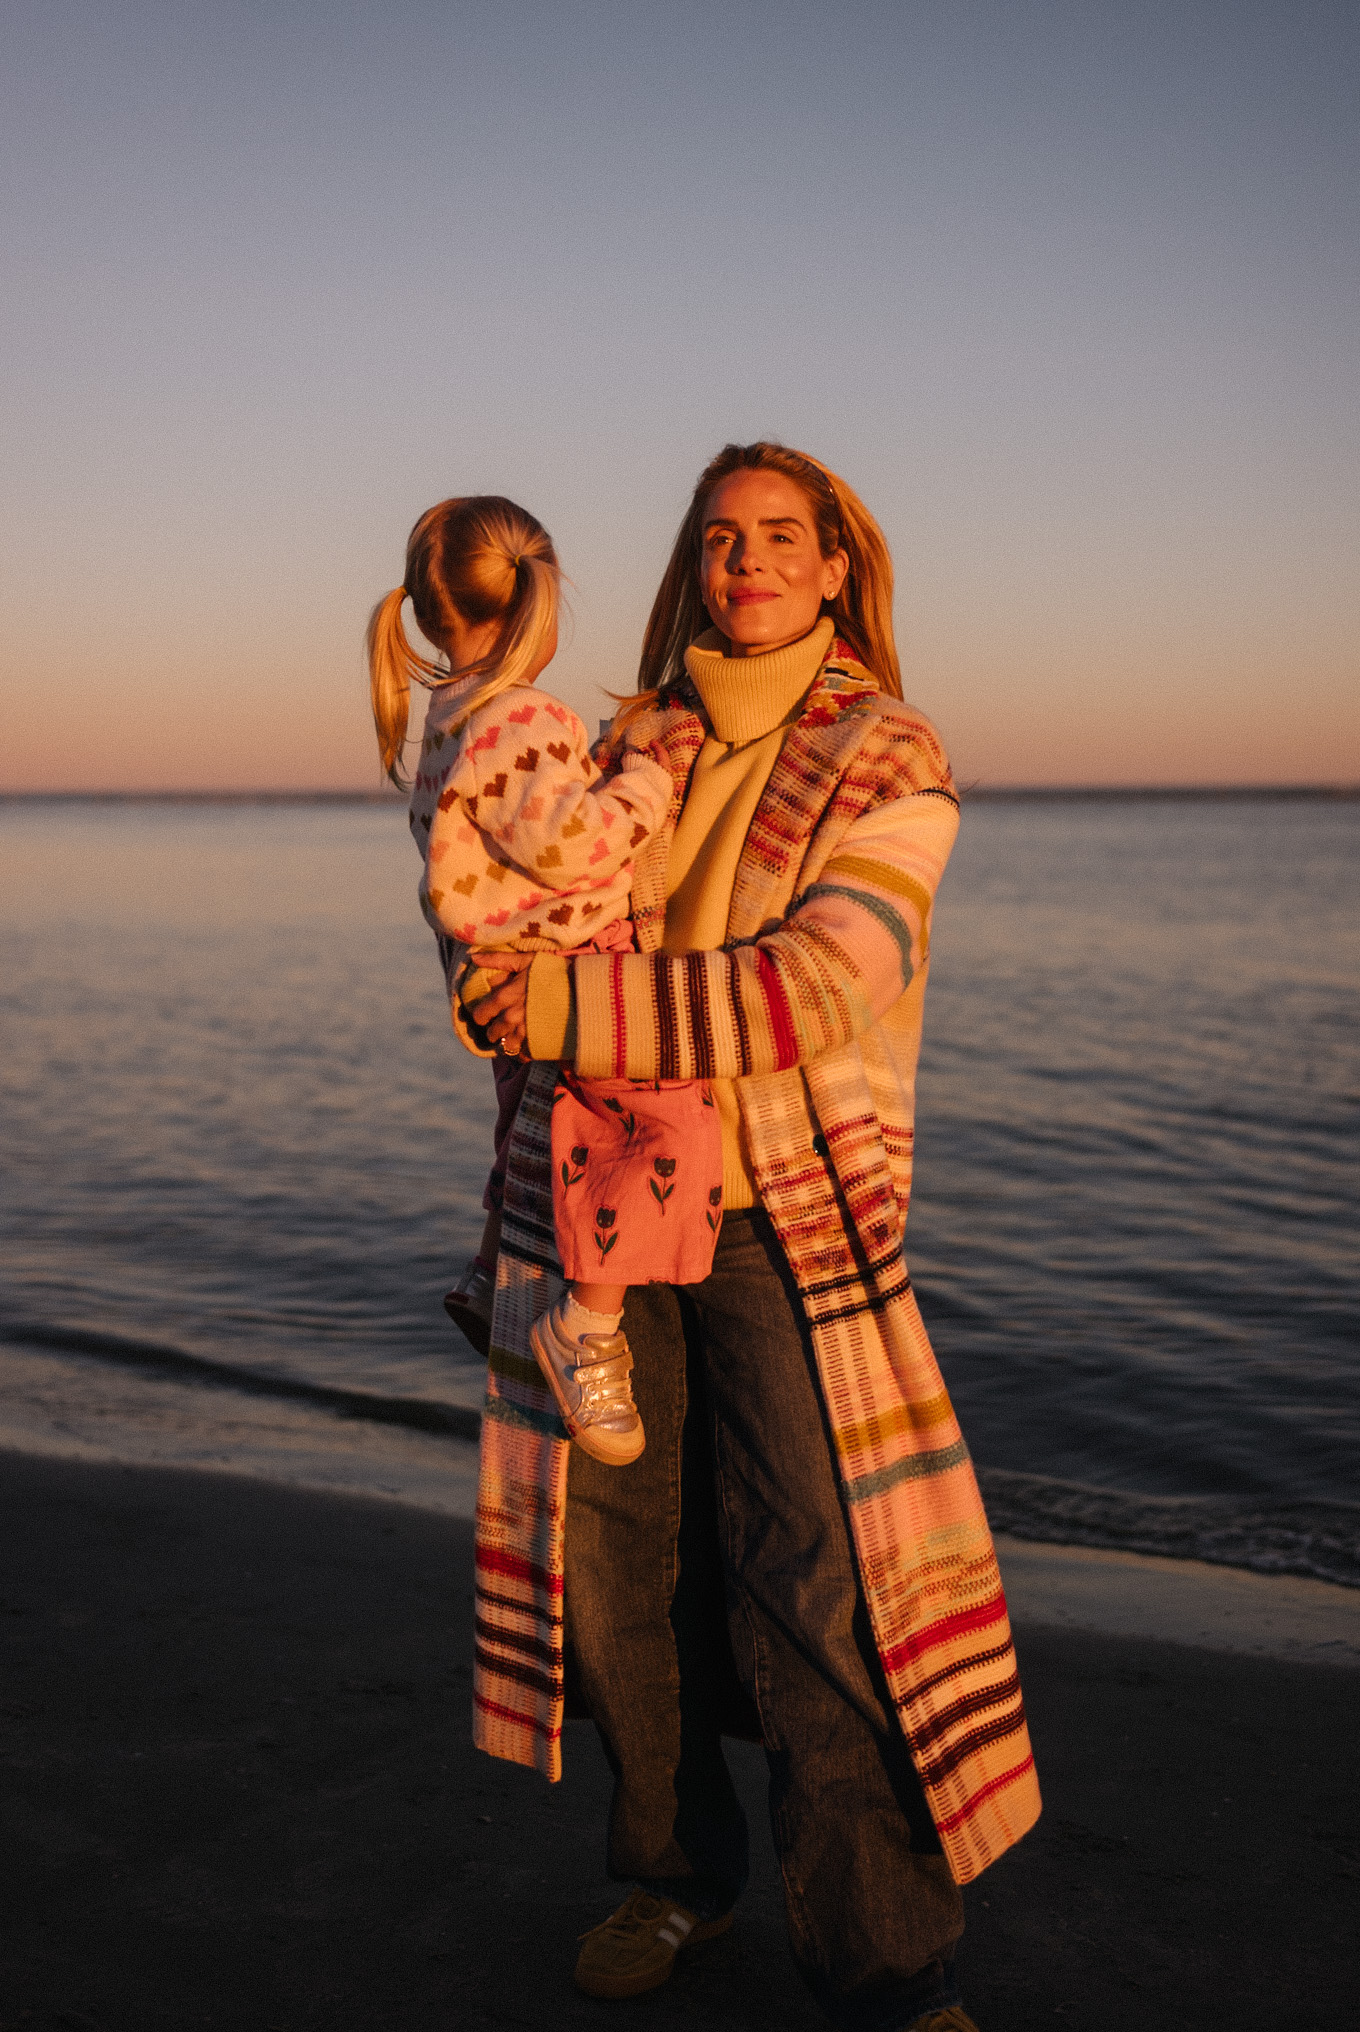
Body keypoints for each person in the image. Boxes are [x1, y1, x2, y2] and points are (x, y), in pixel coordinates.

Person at [465, 444, 1041, 2032]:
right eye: (720, 537)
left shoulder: (889, 755)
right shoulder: (623, 740)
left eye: (782, 536)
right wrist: (497, 957)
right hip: (602, 1206)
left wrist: (553, 1000)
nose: (747, 561)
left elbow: (820, 984)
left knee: (814, 1574)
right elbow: (514, 909)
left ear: (837, 563)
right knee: (617, 1565)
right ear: (692, 564)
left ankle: (888, 1961)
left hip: (782, 1215)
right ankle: (673, 1876)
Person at [366, 495, 724, 1465]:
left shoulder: (449, 713)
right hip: (570, 968)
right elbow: (571, 845)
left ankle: (489, 1276)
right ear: (536, 601)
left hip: (492, 976)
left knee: (523, 1128)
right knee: (668, 1122)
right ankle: (588, 1326)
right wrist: (644, 780)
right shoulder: (521, 716)